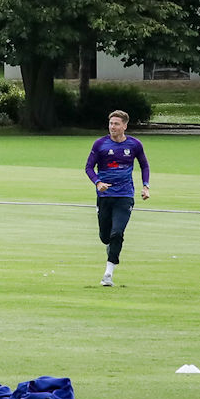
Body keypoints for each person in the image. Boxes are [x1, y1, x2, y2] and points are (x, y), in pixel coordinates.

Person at [84, 110, 151, 286]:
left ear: (124, 126)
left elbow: (144, 165)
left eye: (116, 124)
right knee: (105, 237)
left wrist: (146, 186)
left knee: (117, 233)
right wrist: (98, 183)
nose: (112, 127)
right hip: (105, 196)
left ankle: (108, 274)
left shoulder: (135, 145)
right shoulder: (100, 144)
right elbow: (89, 168)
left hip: (125, 195)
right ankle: (111, 246)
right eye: (111, 123)